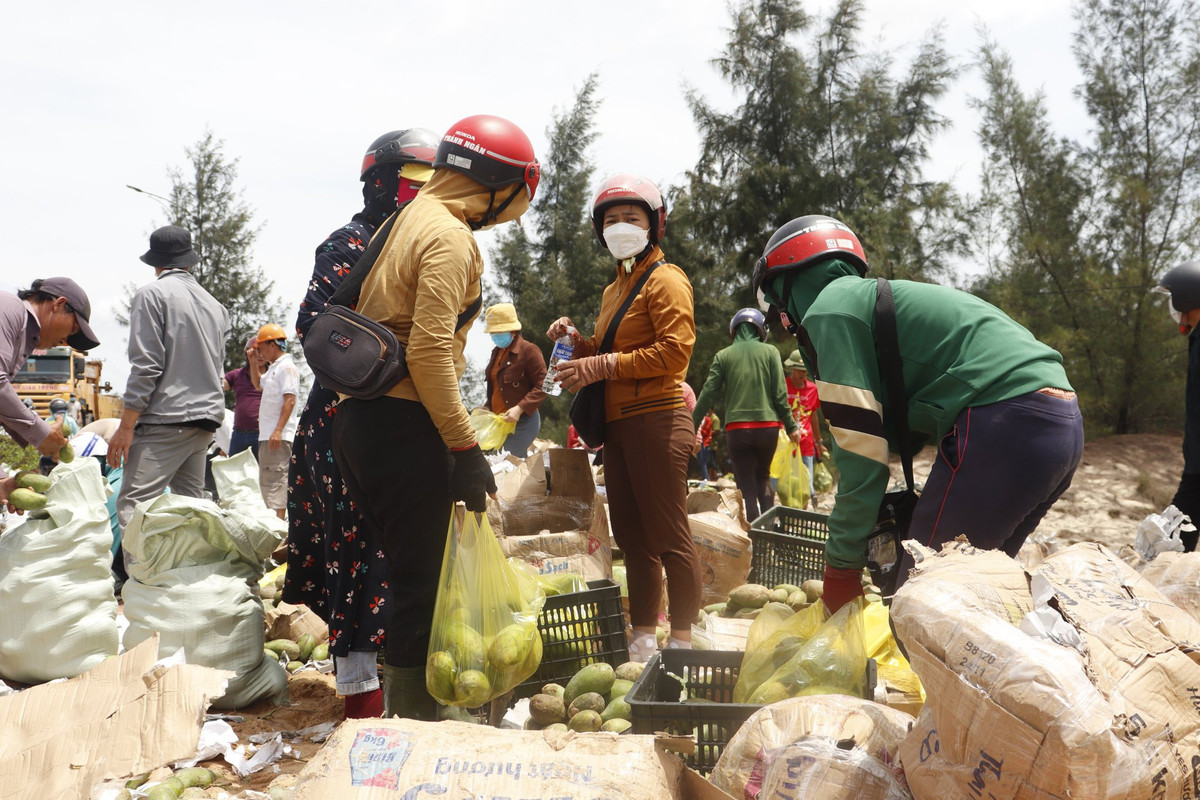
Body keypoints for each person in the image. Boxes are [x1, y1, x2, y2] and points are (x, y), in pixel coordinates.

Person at [752, 214, 1084, 611]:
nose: (785, 320)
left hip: (1005, 420)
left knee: (920, 605)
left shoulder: (829, 311)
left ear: (790, 282)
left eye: (779, 308)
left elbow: (863, 459)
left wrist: (839, 569)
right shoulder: (867, 300)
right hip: (1059, 425)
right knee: (975, 600)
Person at [333, 115, 538, 719]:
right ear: (499, 184)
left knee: (407, 574)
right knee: (421, 586)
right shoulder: (450, 236)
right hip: (400, 426)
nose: (507, 218)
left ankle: (406, 718)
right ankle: (419, 730)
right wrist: (463, 448)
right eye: (513, 204)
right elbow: (427, 352)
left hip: (359, 424)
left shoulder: (407, 216)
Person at [285, 127, 438, 719]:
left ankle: (394, 685)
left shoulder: (420, 243)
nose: (420, 196)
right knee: (357, 548)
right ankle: (359, 693)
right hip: (346, 422)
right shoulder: (349, 244)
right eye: (411, 182)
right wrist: (392, 364)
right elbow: (315, 331)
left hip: (400, 422)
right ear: (378, 182)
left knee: (395, 552)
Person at [548, 173, 699, 662]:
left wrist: (600, 364)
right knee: (633, 538)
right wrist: (578, 340)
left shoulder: (666, 278)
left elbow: (674, 353)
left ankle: (682, 641)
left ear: (654, 224)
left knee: (669, 535)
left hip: (658, 418)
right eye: (610, 220)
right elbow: (612, 350)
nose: (620, 227)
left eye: (631, 218)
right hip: (619, 425)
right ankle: (640, 639)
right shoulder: (617, 287)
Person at [108, 226, 230, 539]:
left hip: (167, 420)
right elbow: (217, 370)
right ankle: (185, 584)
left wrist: (125, 427)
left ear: (155, 263)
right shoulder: (215, 306)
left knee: (135, 505)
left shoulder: (152, 294)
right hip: (205, 422)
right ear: (189, 261)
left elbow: (147, 365)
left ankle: (143, 584)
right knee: (191, 509)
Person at [0, 278, 99, 513]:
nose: (66, 340)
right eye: (71, 329)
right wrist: (42, 434)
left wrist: (2, 481)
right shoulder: (10, 308)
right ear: (58, 304)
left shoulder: (23, 338)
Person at [693, 308, 799, 521]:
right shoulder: (770, 352)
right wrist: (792, 426)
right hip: (768, 429)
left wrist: (691, 422)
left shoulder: (723, 356)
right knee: (763, 479)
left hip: (738, 430)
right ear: (760, 330)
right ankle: (770, 534)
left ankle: (755, 538)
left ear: (734, 330)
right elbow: (780, 395)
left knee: (746, 486)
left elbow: (707, 394)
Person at [1154, 261, 1200, 551]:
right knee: (1180, 528)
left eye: (1173, 296)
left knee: (1176, 534)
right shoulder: (1196, 339)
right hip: (1196, 461)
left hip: (1198, 464)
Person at [482, 303, 546, 458]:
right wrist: (486, 407)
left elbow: (544, 385)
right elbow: (497, 387)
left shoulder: (529, 350)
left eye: (498, 331)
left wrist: (519, 408)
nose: (495, 336)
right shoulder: (496, 353)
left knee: (508, 462)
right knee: (497, 464)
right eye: (492, 332)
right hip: (500, 423)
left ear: (513, 330)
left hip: (523, 422)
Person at [253, 323, 298, 519]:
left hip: (276, 435)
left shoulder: (286, 367)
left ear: (273, 344)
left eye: (261, 348)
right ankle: (276, 526)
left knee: (277, 480)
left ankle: (279, 529)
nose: (260, 352)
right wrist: (254, 362)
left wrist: (279, 430)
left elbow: (290, 399)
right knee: (268, 480)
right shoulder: (274, 368)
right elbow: (257, 384)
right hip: (269, 433)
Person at [784, 350, 825, 504]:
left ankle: (804, 512)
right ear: (791, 369)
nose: (802, 374)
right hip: (786, 442)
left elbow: (813, 417)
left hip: (806, 443)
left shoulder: (813, 389)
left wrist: (819, 442)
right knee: (786, 483)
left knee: (806, 484)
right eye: (799, 371)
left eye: (805, 371)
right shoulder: (783, 385)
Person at [222, 336, 263, 458]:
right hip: (239, 434)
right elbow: (219, 385)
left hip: (263, 434)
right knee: (235, 473)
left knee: (263, 473)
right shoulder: (237, 374)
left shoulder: (273, 374)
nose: (259, 355)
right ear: (247, 353)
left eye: (262, 350)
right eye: (255, 351)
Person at [37, 397, 80, 475]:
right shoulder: (48, 421)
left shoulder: (71, 421)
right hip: (52, 454)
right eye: (57, 413)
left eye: (62, 413)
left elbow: (77, 435)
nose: (60, 415)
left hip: (67, 452)